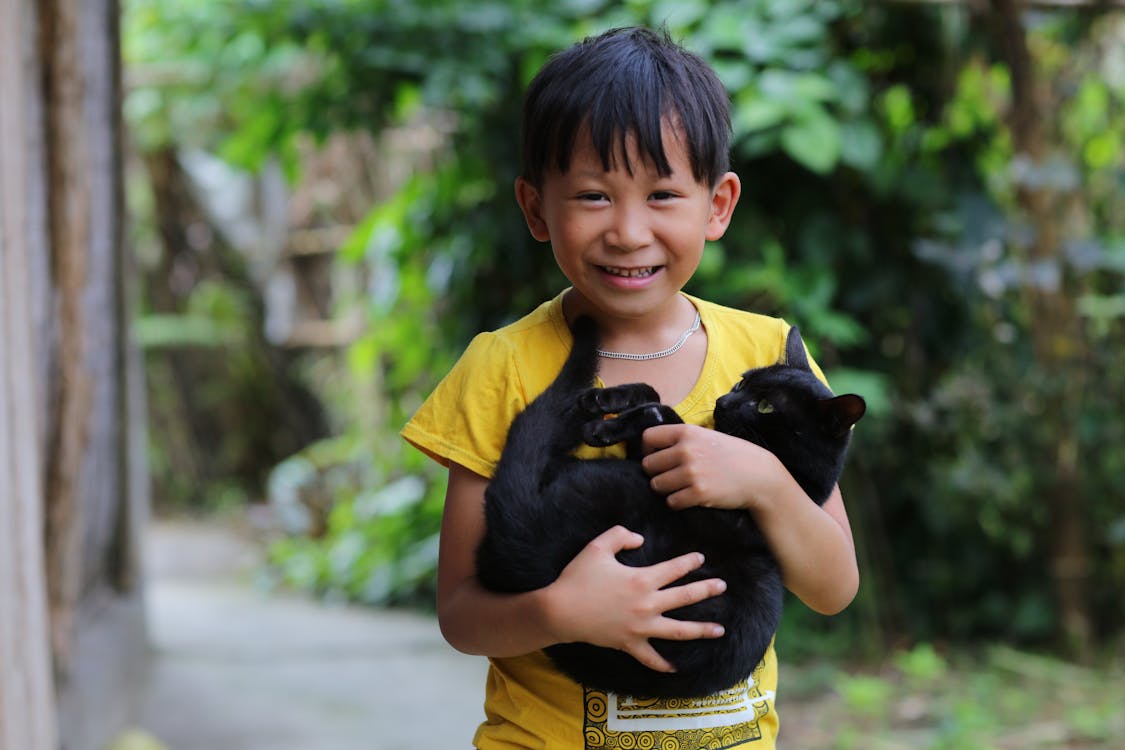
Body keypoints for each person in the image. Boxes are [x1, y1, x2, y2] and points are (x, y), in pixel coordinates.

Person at [401, 26, 859, 749]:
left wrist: (766, 483)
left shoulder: (767, 355)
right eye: (591, 195)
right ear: (533, 207)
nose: (627, 230)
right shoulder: (503, 366)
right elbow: (461, 615)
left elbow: (833, 588)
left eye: (662, 194)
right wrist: (562, 612)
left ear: (716, 206)